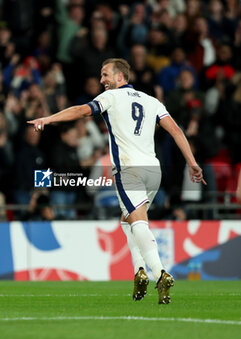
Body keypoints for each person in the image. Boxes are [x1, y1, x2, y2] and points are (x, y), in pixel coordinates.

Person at [28, 58, 206, 304]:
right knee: (128, 219)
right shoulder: (152, 101)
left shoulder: (110, 97)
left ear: (120, 78)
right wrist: (192, 162)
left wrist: (46, 120)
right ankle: (139, 271)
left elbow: (81, 110)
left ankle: (160, 272)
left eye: (105, 75)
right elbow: (176, 130)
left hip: (128, 169)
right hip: (153, 170)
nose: (102, 81)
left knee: (139, 221)